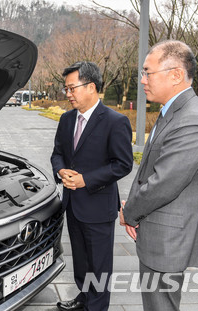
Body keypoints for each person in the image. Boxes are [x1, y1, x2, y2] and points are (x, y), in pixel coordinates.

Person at [120, 40, 198, 311]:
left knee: (160, 305)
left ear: (175, 74)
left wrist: (130, 213)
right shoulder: (174, 112)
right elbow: (150, 171)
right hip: (159, 231)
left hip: (169, 238)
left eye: (147, 72)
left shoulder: (192, 119)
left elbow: (163, 183)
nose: (142, 80)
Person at [51, 61, 133, 311]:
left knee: (99, 266)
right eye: (66, 89)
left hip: (98, 207)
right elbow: (57, 154)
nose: (68, 94)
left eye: (72, 88)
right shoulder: (66, 119)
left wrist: (86, 179)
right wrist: (60, 170)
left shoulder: (115, 121)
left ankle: (97, 306)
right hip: (73, 206)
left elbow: (123, 164)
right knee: (82, 261)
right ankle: (84, 299)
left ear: (91, 87)